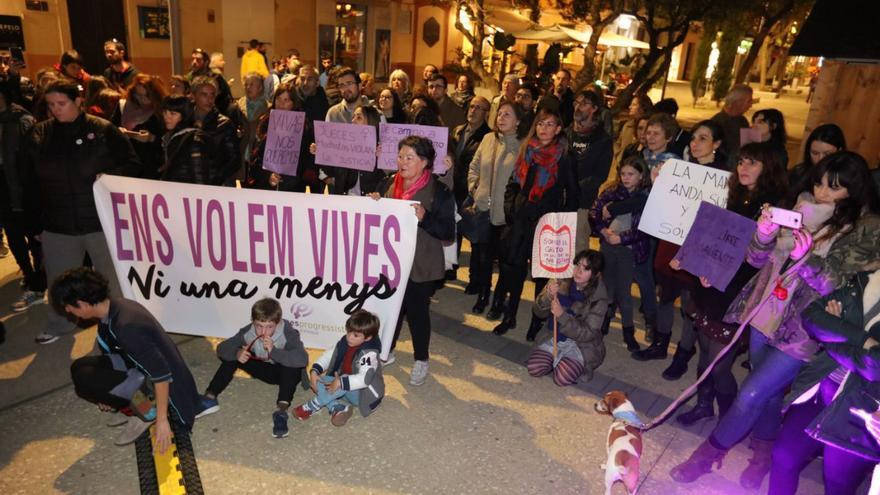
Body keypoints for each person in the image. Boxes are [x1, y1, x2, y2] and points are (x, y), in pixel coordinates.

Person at [671, 151, 880, 489]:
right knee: (767, 393)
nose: (822, 192)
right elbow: (756, 259)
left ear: (853, 191)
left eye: (833, 188)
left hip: (805, 328)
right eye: (819, 182)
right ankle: (762, 455)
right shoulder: (800, 207)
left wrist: (807, 257)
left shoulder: (865, 228)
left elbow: (840, 286)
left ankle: (706, 456)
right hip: (765, 308)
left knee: (752, 394)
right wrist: (764, 233)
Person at [673, 142, 787, 427]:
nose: (743, 168)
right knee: (703, 354)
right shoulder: (731, 195)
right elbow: (710, 236)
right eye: (741, 161)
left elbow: (760, 259)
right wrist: (695, 263)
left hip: (737, 294)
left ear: (768, 169)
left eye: (753, 163)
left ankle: (729, 420)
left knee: (720, 364)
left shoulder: (774, 209)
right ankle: (703, 405)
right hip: (710, 286)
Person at [22, 80, 141, 345]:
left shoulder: (102, 130)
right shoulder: (39, 134)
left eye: (61, 104)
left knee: (112, 278)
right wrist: (33, 225)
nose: (55, 110)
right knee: (59, 280)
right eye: (51, 105)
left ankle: (121, 324)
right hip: (58, 223)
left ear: (78, 102)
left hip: (101, 221)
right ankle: (60, 323)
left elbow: (132, 164)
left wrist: (111, 176)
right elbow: (29, 183)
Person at [59, 268, 200, 452]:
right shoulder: (114, 307)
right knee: (79, 369)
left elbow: (162, 375)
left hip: (169, 390)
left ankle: (147, 411)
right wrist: (104, 393)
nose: (67, 311)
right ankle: (134, 403)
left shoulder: (126, 327)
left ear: (82, 304)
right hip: (139, 369)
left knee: (87, 381)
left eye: (68, 306)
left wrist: (163, 420)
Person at [768, 268, 880, 494]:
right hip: (823, 386)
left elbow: (874, 364)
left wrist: (834, 332)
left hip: (863, 406)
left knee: (838, 484)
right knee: (783, 456)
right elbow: (812, 316)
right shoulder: (864, 280)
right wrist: (863, 339)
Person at [642, 120, 727, 379]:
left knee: (691, 304)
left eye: (703, 138)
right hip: (671, 242)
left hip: (698, 247)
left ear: (717, 144)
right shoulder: (680, 170)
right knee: (665, 295)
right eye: (693, 138)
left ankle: (682, 354)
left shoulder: (722, 178)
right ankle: (660, 342)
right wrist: (657, 182)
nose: (695, 143)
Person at [368, 135, 455, 385]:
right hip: (390, 261)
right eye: (400, 156)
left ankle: (421, 359)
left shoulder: (439, 191)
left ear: (424, 162)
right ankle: (387, 350)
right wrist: (375, 203)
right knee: (389, 308)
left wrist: (425, 217)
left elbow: (447, 232)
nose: (402, 162)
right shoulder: (388, 184)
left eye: (409, 158)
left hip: (422, 264)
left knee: (417, 311)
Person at [488, 108, 577, 337]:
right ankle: (510, 315)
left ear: (558, 129)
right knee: (514, 269)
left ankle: (537, 321)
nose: (543, 129)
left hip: (547, 220)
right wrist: (510, 208)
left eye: (549, 125)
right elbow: (514, 182)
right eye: (540, 124)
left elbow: (573, 193)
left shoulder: (564, 155)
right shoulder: (528, 149)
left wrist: (559, 221)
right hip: (520, 217)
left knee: (540, 274)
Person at [197, 297, 308, 438]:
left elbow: (302, 359)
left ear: (278, 323)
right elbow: (222, 348)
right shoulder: (248, 332)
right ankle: (210, 397)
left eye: (269, 327)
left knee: (292, 365)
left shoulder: (287, 332)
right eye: (259, 326)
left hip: (283, 374)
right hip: (263, 369)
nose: (263, 332)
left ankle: (281, 411)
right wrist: (237, 353)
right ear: (253, 322)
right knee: (234, 354)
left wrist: (274, 351)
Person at [466, 101, 525, 314]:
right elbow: (473, 167)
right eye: (499, 114)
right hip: (483, 208)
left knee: (506, 261)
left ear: (518, 121)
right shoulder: (488, 139)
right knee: (483, 257)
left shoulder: (522, 146)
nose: (501, 118)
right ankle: (483, 295)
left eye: (507, 114)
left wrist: (513, 206)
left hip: (506, 215)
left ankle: (499, 300)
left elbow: (522, 180)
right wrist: (475, 188)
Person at [589, 155, 652, 352]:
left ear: (641, 175)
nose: (626, 178)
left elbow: (645, 229)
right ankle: (603, 321)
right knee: (607, 288)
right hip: (608, 246)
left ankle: (628, 331)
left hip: (627, 250)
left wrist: (622, 238)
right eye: (623, 173)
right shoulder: (612, 192)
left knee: (624, 293)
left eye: (631, 174)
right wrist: (603, 231)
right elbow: (594, 213)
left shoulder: (645, 197)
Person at [527, 250, 609, 385]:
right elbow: (538, 312)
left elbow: (588, 333)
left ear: (596, 274)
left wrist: (562, 316)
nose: (578, 271)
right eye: (577, 265)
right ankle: (556, 360)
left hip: (580, 345)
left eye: (586, 268)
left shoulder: (599, 298)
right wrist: (548, 296)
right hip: (553, 336)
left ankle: (569, 363)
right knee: (534, 369)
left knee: (561, 379)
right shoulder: (561, 279)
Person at [293, 309, 385, 427]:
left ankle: (314, 404)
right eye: (349, 332)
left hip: (364, 395)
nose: (349, 337)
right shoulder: (345, 342)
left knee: (344, 378)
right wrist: (315, 371)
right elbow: (330, 354)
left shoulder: (369, 354)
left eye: (355, 335)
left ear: (367, 338)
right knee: (319, 379)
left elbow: (364, 379)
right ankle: (338, 407)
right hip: (344, 388)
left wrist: (341, 381)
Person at [0, 84, 44, 313]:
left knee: (34, 236)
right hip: (3, 189)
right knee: (14, 235)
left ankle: (38, 280)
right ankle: (28, 274)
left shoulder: (22, 121)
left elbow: (32, 160)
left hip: (23, 188)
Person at [248, 83, 319, 192]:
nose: (281, 104)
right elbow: (255, 158)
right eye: (279, 99)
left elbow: (307, 161)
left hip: (294, 187)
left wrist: (313, 150)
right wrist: (268, 176)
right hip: (267, 187)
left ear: (293, 103)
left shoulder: (303, 126)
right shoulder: (264, 123)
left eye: (286, 100)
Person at [567, 90, 613, 253]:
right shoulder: (567, 134)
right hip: (561, 200)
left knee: (578, 245)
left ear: (594, 109)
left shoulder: (602, 140)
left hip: (582, 203)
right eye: (576, 103)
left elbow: (600, 175)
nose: (578, 107)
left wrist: (575, 189)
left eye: (584, 104)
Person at [114, 74, 166, 179]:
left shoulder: (161, 110)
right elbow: (110, 130)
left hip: (150, 166)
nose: (142, 99)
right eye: (138, 95)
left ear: (154, 95)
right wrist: (118, 132)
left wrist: (151, 138)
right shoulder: (124, 106)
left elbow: (168, 141)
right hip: (126, 162)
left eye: (146, 96)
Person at [191, 76, 240, 185]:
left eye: (212, 94)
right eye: (204, 94)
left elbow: (234, 159)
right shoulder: (186, 120)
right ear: (193, 96)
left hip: (217, 185)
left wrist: (216, 178)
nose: (209, 99)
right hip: (191, 184)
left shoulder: (224, 124)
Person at [158, 95, 212, 184]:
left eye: (172, 113)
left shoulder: (193, 141)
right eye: (164, 112)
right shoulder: (172, 136)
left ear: (184, 115)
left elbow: (200, 179)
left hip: (188, 194)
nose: (167, 117)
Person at [787, 123, 846, 201]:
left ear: (839, 151)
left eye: (827, 154)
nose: (820, 158)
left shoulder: (846, 177)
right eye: (815, 153)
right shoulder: (799, 173)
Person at [229, 72, 269, 183]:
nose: (247, 87)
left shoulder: (269, 109)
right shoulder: (236, 107)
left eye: (251, 84)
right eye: (246, 84)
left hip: (259, 158)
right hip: (241, 156)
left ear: (260, 87)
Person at [710, 84, 753, 168]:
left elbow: (749, 150)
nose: (750, 105)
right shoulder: (716, 123)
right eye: (749, 101)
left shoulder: (743, 121)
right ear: (738, 101)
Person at [186, 48, 232, 115]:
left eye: (198, 60)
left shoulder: (216, 77)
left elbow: (226, 98)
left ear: (206, 62)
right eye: (193, 59)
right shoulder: (189, 77)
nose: (194, 62)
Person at [614, 94, 653, 166]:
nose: (630, 107)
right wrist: (619, 156)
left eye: (634, 104)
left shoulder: (652, 127)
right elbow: (618, 143)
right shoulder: (627, 125)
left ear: (642, 108)